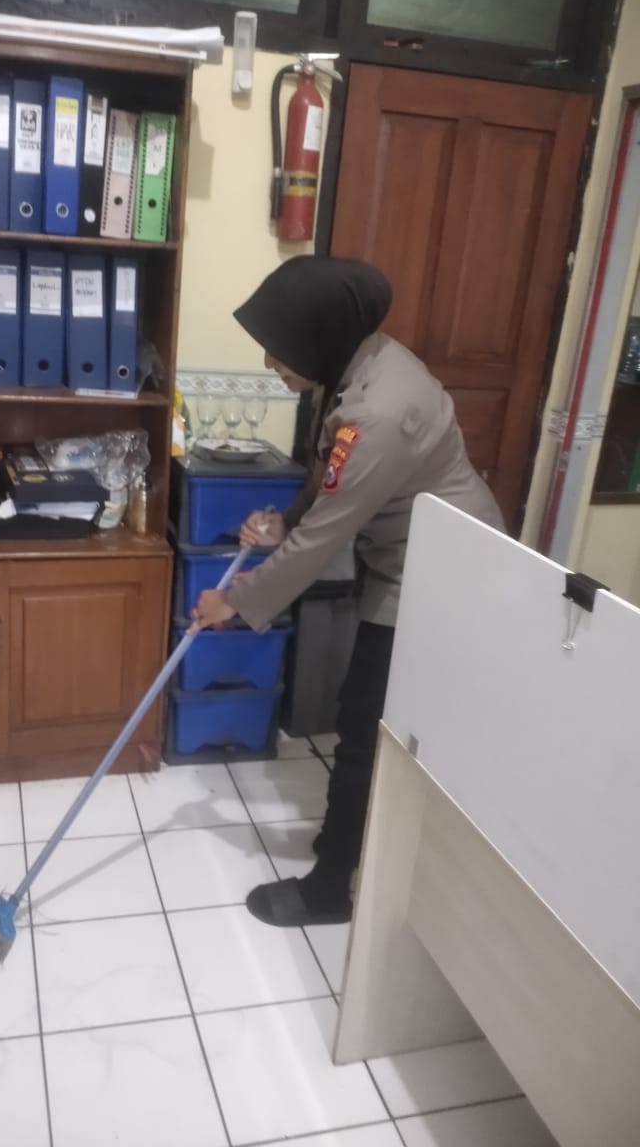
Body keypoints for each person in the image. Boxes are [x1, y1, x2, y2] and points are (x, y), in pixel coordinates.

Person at [193, 255, 505, 928]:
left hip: (444, 574)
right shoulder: (356, 366)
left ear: (319, 336)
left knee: (363, 723)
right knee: (371, 715)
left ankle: (331, 888)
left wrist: (235, 603)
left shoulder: (382, 409)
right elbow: (331, 478)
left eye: (279, 348)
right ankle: (356, 840)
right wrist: (284, 521)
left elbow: (323, 540)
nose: (270, 363)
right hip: (412, 557)